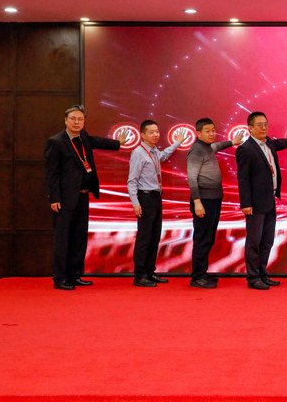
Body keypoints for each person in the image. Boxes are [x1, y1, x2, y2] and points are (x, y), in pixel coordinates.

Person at [45, 104, 127, 290]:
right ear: (66, 120)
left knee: (79, 238)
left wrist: (117, 143)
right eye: (73, 119)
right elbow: (52, 173)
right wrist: (54, 198)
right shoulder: (56, 142)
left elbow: (97, 141)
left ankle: (75, 275)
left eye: (80, 119)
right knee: (63, 239)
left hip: (83, 196)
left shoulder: (83, 137)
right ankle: (60, 278)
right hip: (64, 199)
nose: (76, 122)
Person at [236, 112, 287, 290]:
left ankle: (262, 273)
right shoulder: (245, 149)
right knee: (254, 241)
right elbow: (243, 179)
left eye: (266, 124)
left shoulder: (269, 143)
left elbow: (281, 143)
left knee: (267, 240)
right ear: (250, 128)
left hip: (269, 200)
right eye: (259, 125)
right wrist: (246, 203)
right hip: (255, 204)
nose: (264, 128)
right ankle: (253, 278)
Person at [127, 120, 186, 287]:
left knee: (154, 236)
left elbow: (163, 155)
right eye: (151, 132)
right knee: (144, 237)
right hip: (145, 197)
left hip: (156, 197)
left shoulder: (153, 151)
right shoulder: (138, 153)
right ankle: (139, 275)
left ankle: (150, 272)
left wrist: (177, 142)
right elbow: (132, 181)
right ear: (143, 135)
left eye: (157, 131)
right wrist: (135, 203)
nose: (155, 135)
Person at [186, 118, 243, 289]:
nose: (212, 134)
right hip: (203, 201)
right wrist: (197, 202)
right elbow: (191, 178)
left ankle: (202, 273)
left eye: (213, 130)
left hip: (213, 199)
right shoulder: (196, 151)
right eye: (207, 131)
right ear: (198, 133)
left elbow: (218, 146)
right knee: (202, 239)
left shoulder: (207, 147)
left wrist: (232, 142)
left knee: (208, 238)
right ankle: (197, 277)